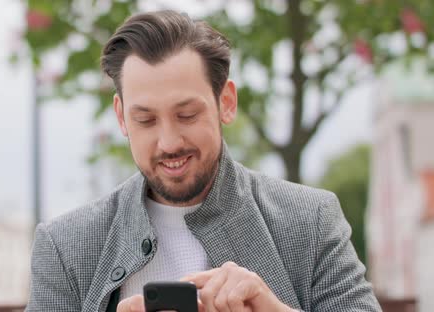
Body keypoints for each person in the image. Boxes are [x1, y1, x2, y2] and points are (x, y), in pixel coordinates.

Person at [25, 10, 381, 312]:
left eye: (187, 114)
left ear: (225, 101)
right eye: (145, 120)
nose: (168, 142)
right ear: (121, 117)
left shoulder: (310, 221)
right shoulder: (65, 247)